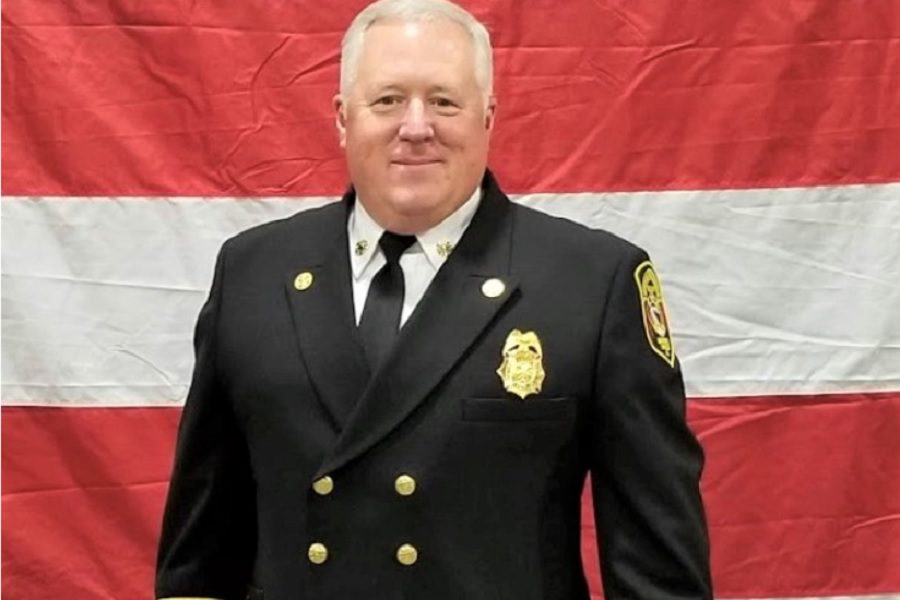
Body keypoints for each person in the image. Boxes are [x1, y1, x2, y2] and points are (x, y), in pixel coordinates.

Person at [155, 0, 712, 598]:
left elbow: (658, 571)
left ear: (488, 117)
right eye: (388, 100)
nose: (416, 127)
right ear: (343, 118)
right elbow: (201, 556)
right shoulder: (254, 273)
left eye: (444, 102)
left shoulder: (590, 284)